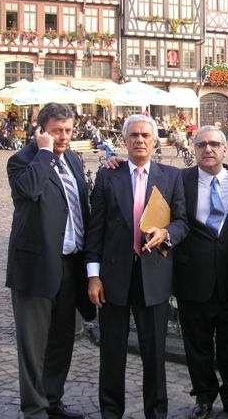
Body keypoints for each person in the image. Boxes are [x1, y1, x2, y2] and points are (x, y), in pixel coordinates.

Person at [86, 114, 188, 419]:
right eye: (133, 135)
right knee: (112, 353)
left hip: (153, 278)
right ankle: (110, 412)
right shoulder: (108, 176)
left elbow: (183, 222)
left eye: (145, 135)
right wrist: (93, 276)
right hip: (114, 278)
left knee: (154, 354)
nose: (139, 140)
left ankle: (156, 413)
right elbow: (96, 230)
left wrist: (166, 233)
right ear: (124, 141)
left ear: (155, 141)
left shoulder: (171, 177)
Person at [6, 102, 95, 419]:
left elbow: (79, 203)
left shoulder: (71, 158)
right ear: (40, 129)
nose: (65, 137)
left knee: (62, 338)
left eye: (69, 130)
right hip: (36, 265)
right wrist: (44, 153)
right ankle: (34, 408)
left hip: (70, 264)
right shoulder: (21, 160)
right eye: (57, 131)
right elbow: (28, 190)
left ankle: (52, 400)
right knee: (33, 344)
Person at [174, 126, 228, 419]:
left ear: (225, 150)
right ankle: (204, 397)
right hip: (192, 279)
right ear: (193, 150)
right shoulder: (178, 180)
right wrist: (114, 162)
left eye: (214, 144)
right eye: (201, 145)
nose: (207, 149)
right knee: (197, 344)